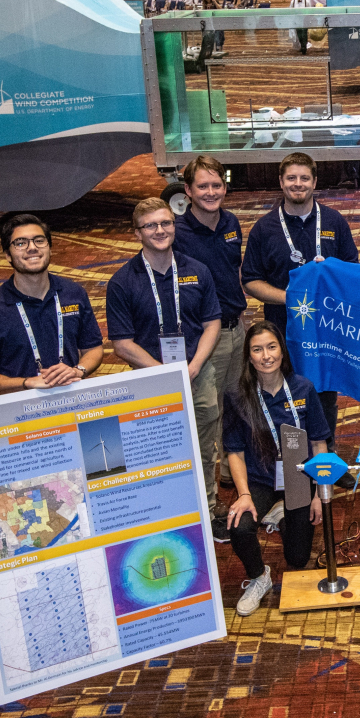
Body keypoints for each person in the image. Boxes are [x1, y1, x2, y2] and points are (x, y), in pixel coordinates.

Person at [105, 198, 225, 540]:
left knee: (203, 450)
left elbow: (212, 322)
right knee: (157, 454)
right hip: (149, 383)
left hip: (197, 375)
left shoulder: (197, 270)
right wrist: (164, 373)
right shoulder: (122, 282)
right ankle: (165, 515)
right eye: (151, 225)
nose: (160, 230)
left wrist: (195, 365)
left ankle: (207, 509)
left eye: (166, 223)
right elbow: (123, 343)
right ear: (137, 233)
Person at [242, 152, 358, 445]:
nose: (298, 184)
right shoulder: (265, 228)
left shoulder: (334, 221)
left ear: (315, 181)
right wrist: (290, 298)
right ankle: (288, 461)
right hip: (282, 332)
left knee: (324, 397)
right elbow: (251, 281)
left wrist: (332, 278)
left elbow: (352, 272)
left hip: (326, 331)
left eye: (304, 178)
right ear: (281, 182)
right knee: (284, 395)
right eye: (291, 178)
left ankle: (326, 462)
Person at [222, 322, 329, 616]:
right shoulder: (237, 395)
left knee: (297, 558)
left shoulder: (303, 388)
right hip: (258, 479)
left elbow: (320, 444)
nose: (266, 356)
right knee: (239, 525)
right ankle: (259, 577)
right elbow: (234, 452)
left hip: (298, 477)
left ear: (282, 351)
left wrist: (320, 494)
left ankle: (282, 513)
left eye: (271, 347)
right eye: (257, 349)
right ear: (249, 356)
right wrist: (243, 494)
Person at [0, 214, 104, 395]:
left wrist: (77, 370)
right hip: (20, 413)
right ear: (8, 255)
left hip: (70, 399)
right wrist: (27, 383)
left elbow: (93, 348)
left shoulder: (73, 293)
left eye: (39, 241)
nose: (32, 248)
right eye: (20, 243)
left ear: (50, 248)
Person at [173, 156, 247, 487]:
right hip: (206, 337)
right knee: (208, 414)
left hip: (237, 329)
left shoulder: (231, 223)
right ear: (187, 190)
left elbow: (234, 273)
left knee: (237, 402)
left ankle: (234, 470)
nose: (210, 192)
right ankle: (208, 490)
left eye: (216, 185)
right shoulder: (177, 235)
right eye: (202, 186)